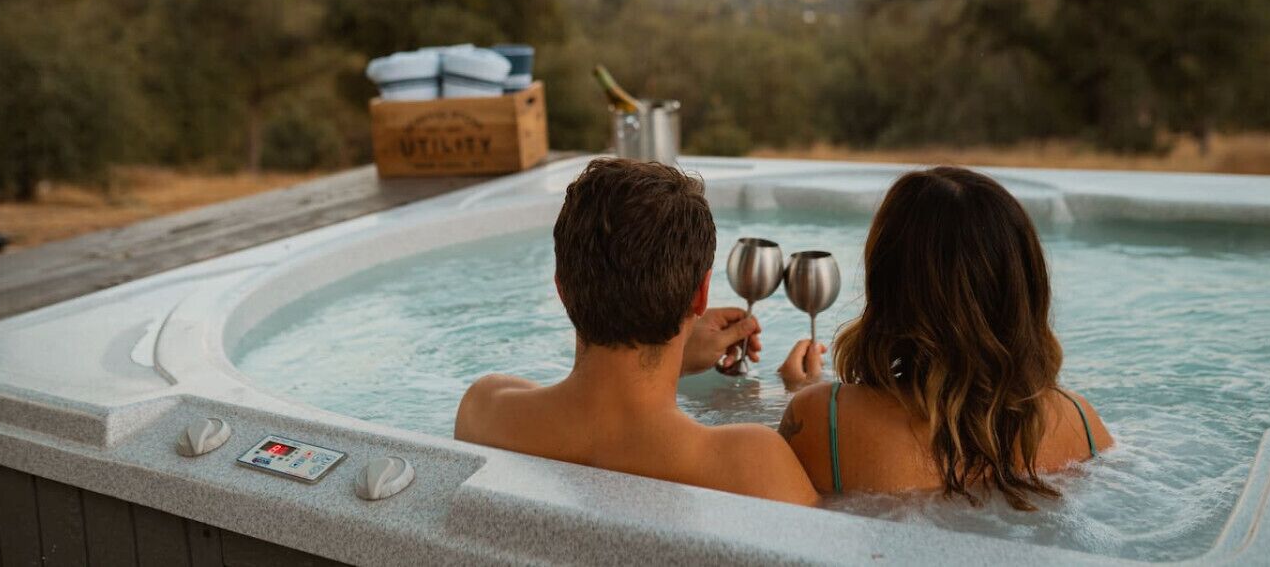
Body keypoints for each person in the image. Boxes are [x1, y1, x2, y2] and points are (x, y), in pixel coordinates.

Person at [455, 157, 818, 506]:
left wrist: (674, 359)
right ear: (701, 295)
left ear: (561, 290)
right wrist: (798, 393)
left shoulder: (486, 411)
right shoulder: (753, 464)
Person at [777, 166, 1113, 510]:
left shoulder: (823, 419)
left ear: (887, 286)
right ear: (1027, 287)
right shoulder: (1082, 424)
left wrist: (794, 390)